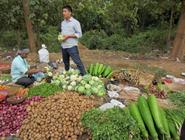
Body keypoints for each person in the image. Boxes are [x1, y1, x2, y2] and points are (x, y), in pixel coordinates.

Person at [60, 5, 86, 75]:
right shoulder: (63, 23)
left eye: (65, 11)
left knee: (78, 62)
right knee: (66, 63)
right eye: (63, 11)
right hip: (63, 46)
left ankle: (85, 75)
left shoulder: (75, 22)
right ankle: (67, 76)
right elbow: (63, 33)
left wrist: (68, 36)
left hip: (72, 46)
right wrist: (61, 37)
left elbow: (79, 34)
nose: (63, 13)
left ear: (70, 12)